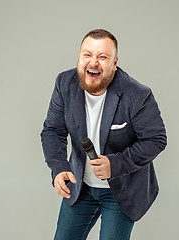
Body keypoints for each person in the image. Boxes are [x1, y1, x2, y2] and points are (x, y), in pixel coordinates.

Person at [41, 29, 167, 240]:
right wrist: (59, 167)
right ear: (79, 57)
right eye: (87, 54)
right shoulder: (64, 84)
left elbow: (156, 140)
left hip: (122, 191)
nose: (93, 62)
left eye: (102, 57)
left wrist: (115, 164)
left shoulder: (137, 94)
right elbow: (53, 131)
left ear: (114, 63)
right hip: (80, 186)